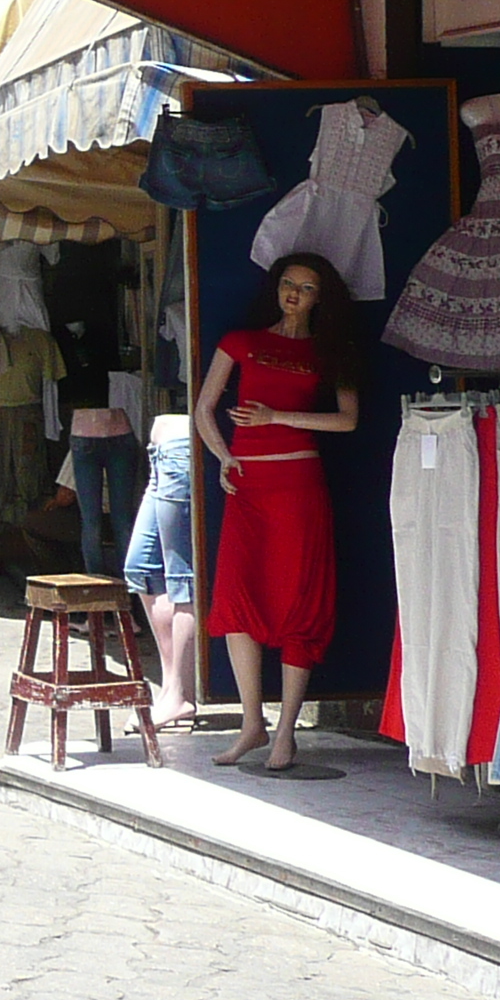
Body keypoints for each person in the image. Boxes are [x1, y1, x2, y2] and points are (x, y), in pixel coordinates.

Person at [196, 253, 362, 771]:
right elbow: (203, 409)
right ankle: (252, 723)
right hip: (248, 485)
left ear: (321, 297)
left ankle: (287, 729)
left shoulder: (329, 351)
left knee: (297, 600)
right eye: (288, 284)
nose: (293, 294)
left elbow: (348, 420)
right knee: (237, 596)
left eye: (306, 287)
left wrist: (277, 416)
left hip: (297, 484)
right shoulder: (241, 341)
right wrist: (224, 456)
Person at [124, 412, 201, 728]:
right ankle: (173, 688)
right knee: (141, 567)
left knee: (181, 577)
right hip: (162, 453)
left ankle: (178, 694)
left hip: (181, 450)